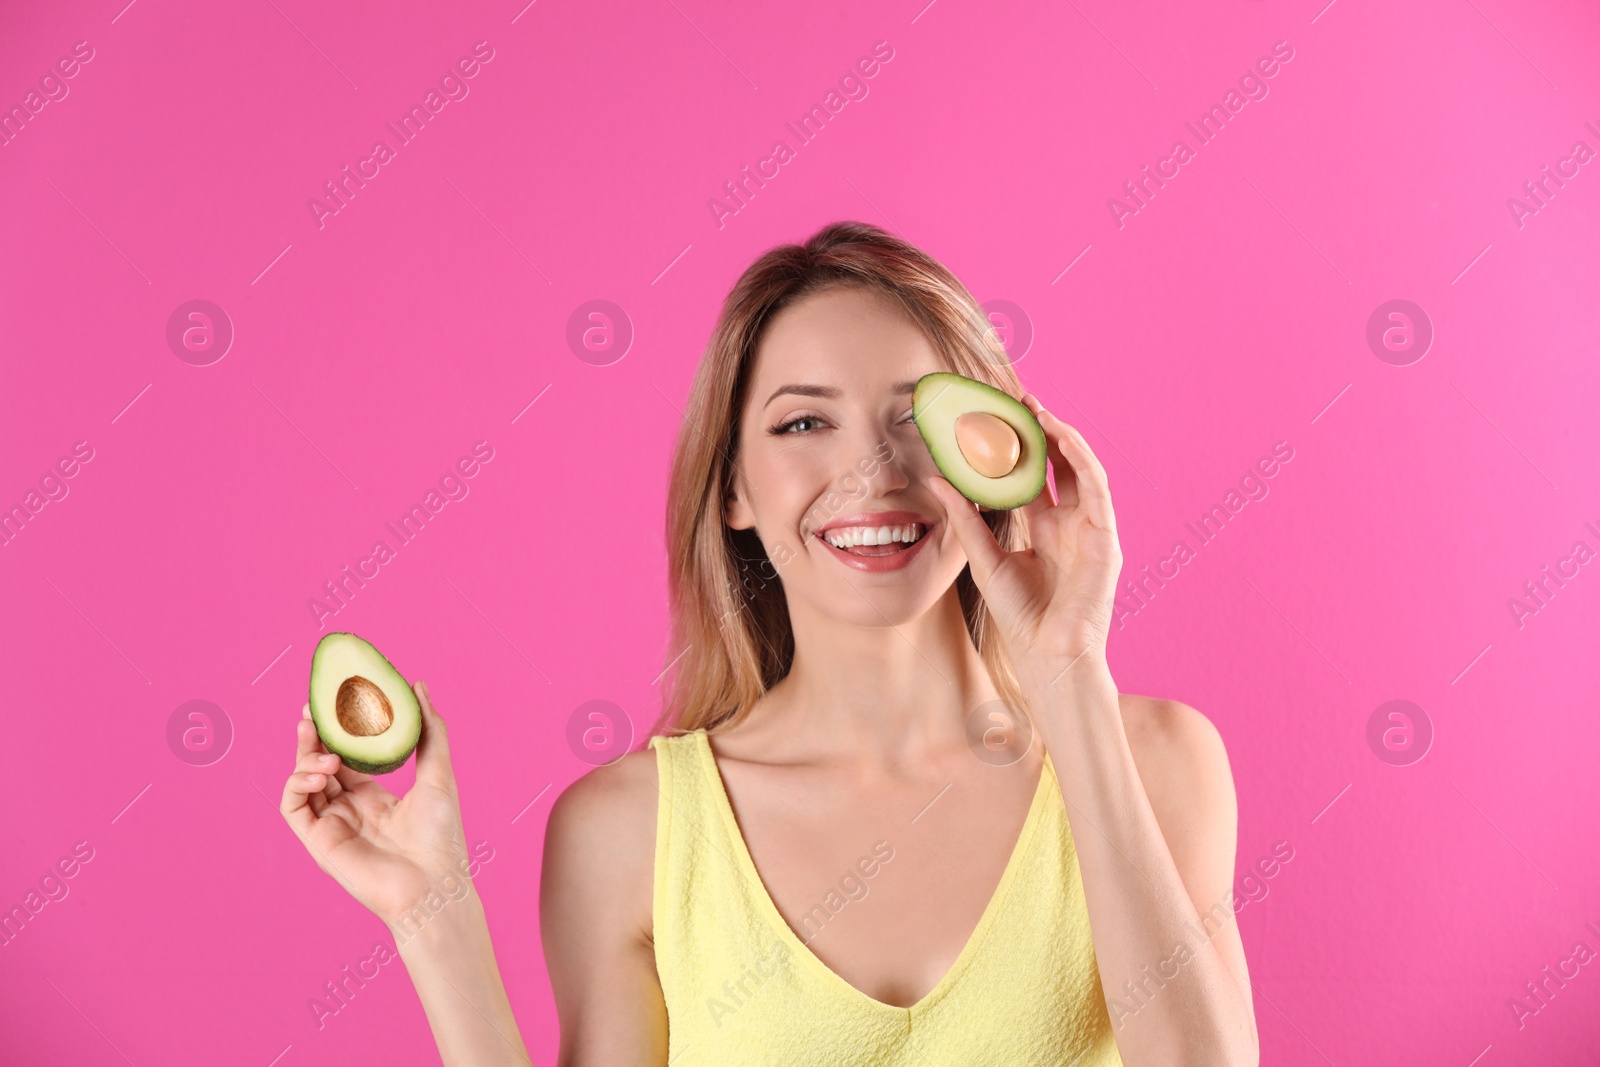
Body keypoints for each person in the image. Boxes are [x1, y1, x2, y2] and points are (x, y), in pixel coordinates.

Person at [280, 221, 1259, 1066]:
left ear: (992, 451)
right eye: (802, 422)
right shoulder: (629, 831)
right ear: (735, 489)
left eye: (917, 416)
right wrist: (431, 914)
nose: (870, 470)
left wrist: (1067, 673)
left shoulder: (1160, 761)